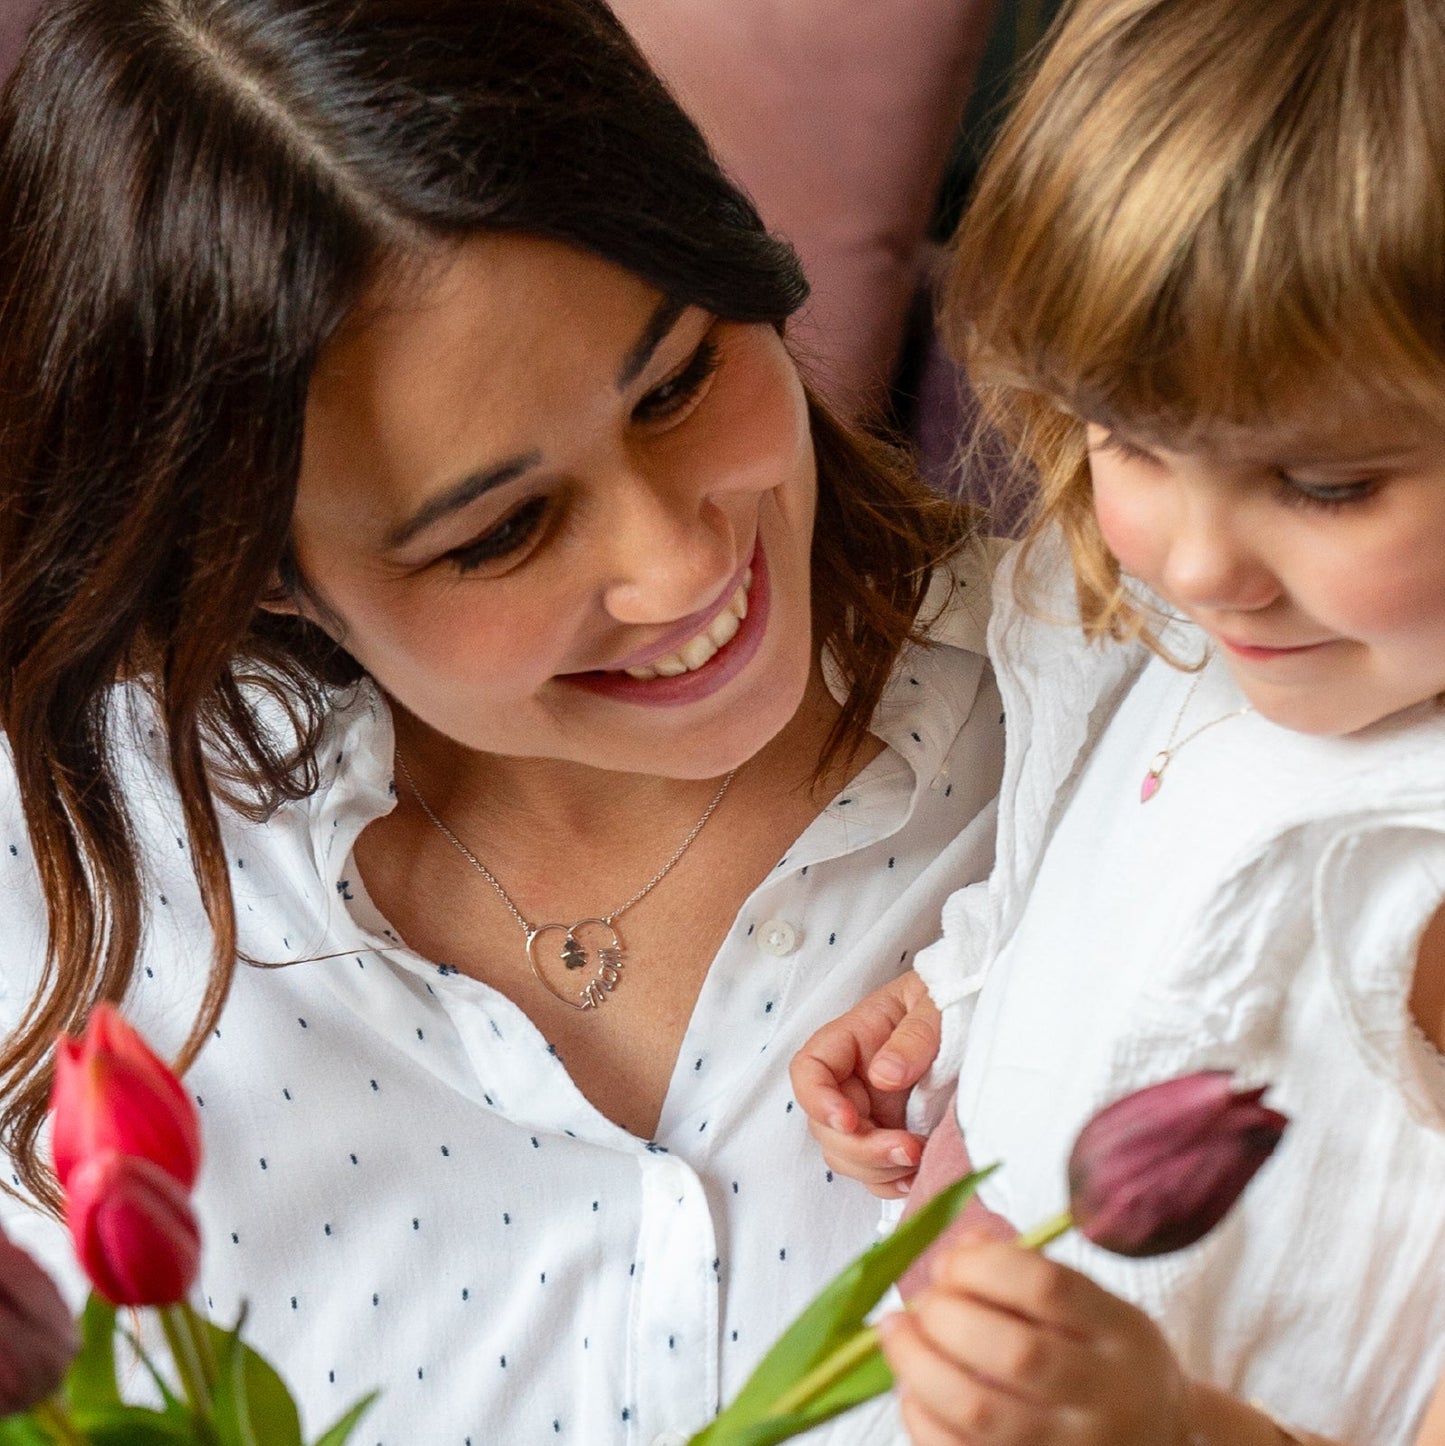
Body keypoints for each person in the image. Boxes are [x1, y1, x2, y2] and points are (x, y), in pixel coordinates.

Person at [0, 1, 1006, 1442]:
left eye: (679, 382)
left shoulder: (1118, 735)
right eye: (501, 530)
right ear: (265, 581)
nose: (675, 561)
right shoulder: (55, 890)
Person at [792, 0, 1445, 1441]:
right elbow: (1111, 917)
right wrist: (950, 1007)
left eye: (1326, 484)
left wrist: (1165, 1424)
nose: (1200, 558)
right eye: (1129, 439)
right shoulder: (1166, 632)